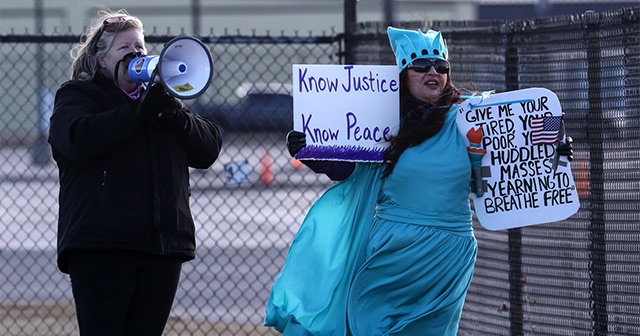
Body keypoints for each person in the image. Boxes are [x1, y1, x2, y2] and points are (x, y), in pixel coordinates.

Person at [265, 27, 572, 335]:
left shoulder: (469, 115)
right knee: (368, 325)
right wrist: (312, 150)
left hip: (446, 253)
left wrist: (555, 151)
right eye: (421, 65)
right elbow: (349, 170)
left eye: (441, 66)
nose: (433, 72)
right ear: (403, 74)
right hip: (391, 250)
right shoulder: (379, 121)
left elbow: (516, 143)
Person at [48, 8, 222, 336]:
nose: (137, 55)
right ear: (101, 59)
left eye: (141, 48)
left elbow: (209, 149)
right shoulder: (77, 96)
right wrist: (139, 112)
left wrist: (177, 116)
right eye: (126, 49)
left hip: (161, 247)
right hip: (101, 247)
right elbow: (79, 139)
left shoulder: (160, 102)